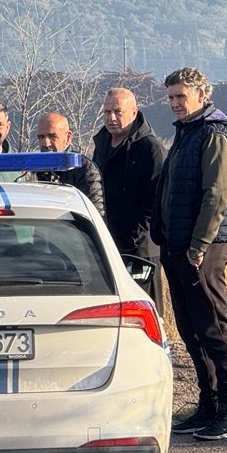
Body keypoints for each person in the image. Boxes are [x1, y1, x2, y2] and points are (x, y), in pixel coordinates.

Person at [152, 67, 227, 441]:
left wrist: (198, 246)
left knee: (213, 326)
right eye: (171, 97)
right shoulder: (187, 131)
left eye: (181, 97)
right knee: (191, 329)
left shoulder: (214, 133)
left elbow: (217, 196)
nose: (175, 104)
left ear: (202, 94)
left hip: (203, 246)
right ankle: (208, 405)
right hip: (178, 244)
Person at [92, 87, 166, 308]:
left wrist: (136, 235)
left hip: (141, 248)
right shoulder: (102, 144)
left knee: (145, 310)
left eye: (118, 111)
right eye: (106, 112)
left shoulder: (150, 149)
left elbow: (157, 199)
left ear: (134, 113)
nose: (111, 118)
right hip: (108, 242)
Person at [32, 112, 104, 215]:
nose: (46, 143)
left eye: (52, 136)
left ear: (68, 138)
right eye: (41, 137)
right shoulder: (32, 169)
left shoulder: (84, 169)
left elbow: (95, 215)